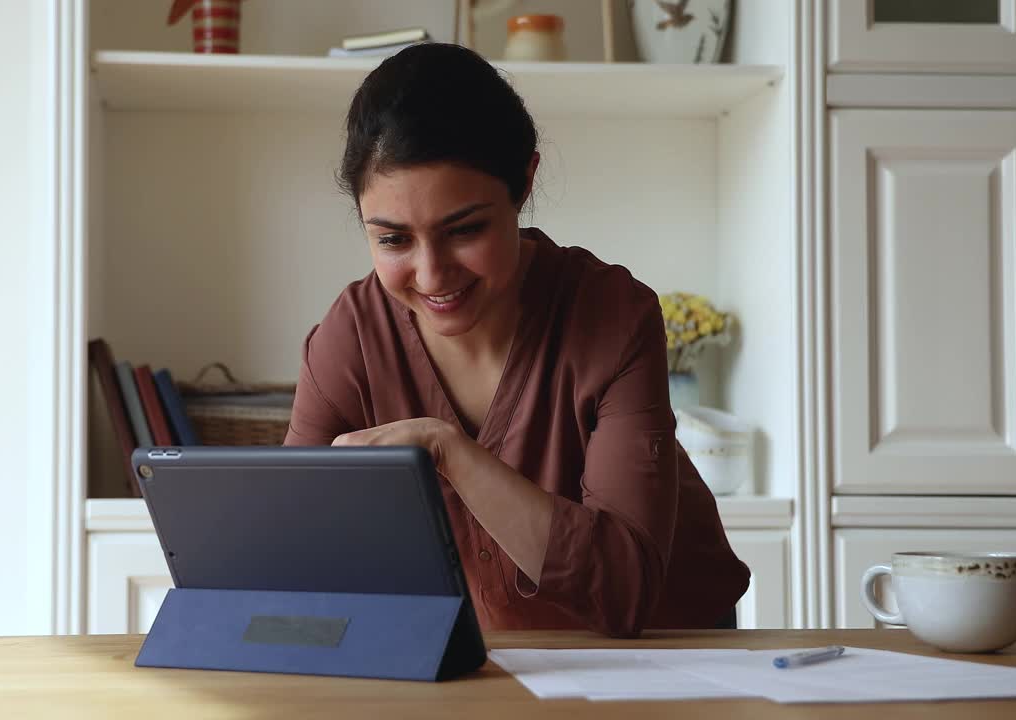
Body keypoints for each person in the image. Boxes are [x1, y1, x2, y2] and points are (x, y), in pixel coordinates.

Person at [283, 43, 749, 638]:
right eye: (394, 240)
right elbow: (288, 551)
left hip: (672, 649)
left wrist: (448, 451)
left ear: (524, 183)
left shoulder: (615, 318)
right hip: (500, 656)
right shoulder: (351, 335)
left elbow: (627, 589)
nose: (431, 276)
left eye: (466, 230)